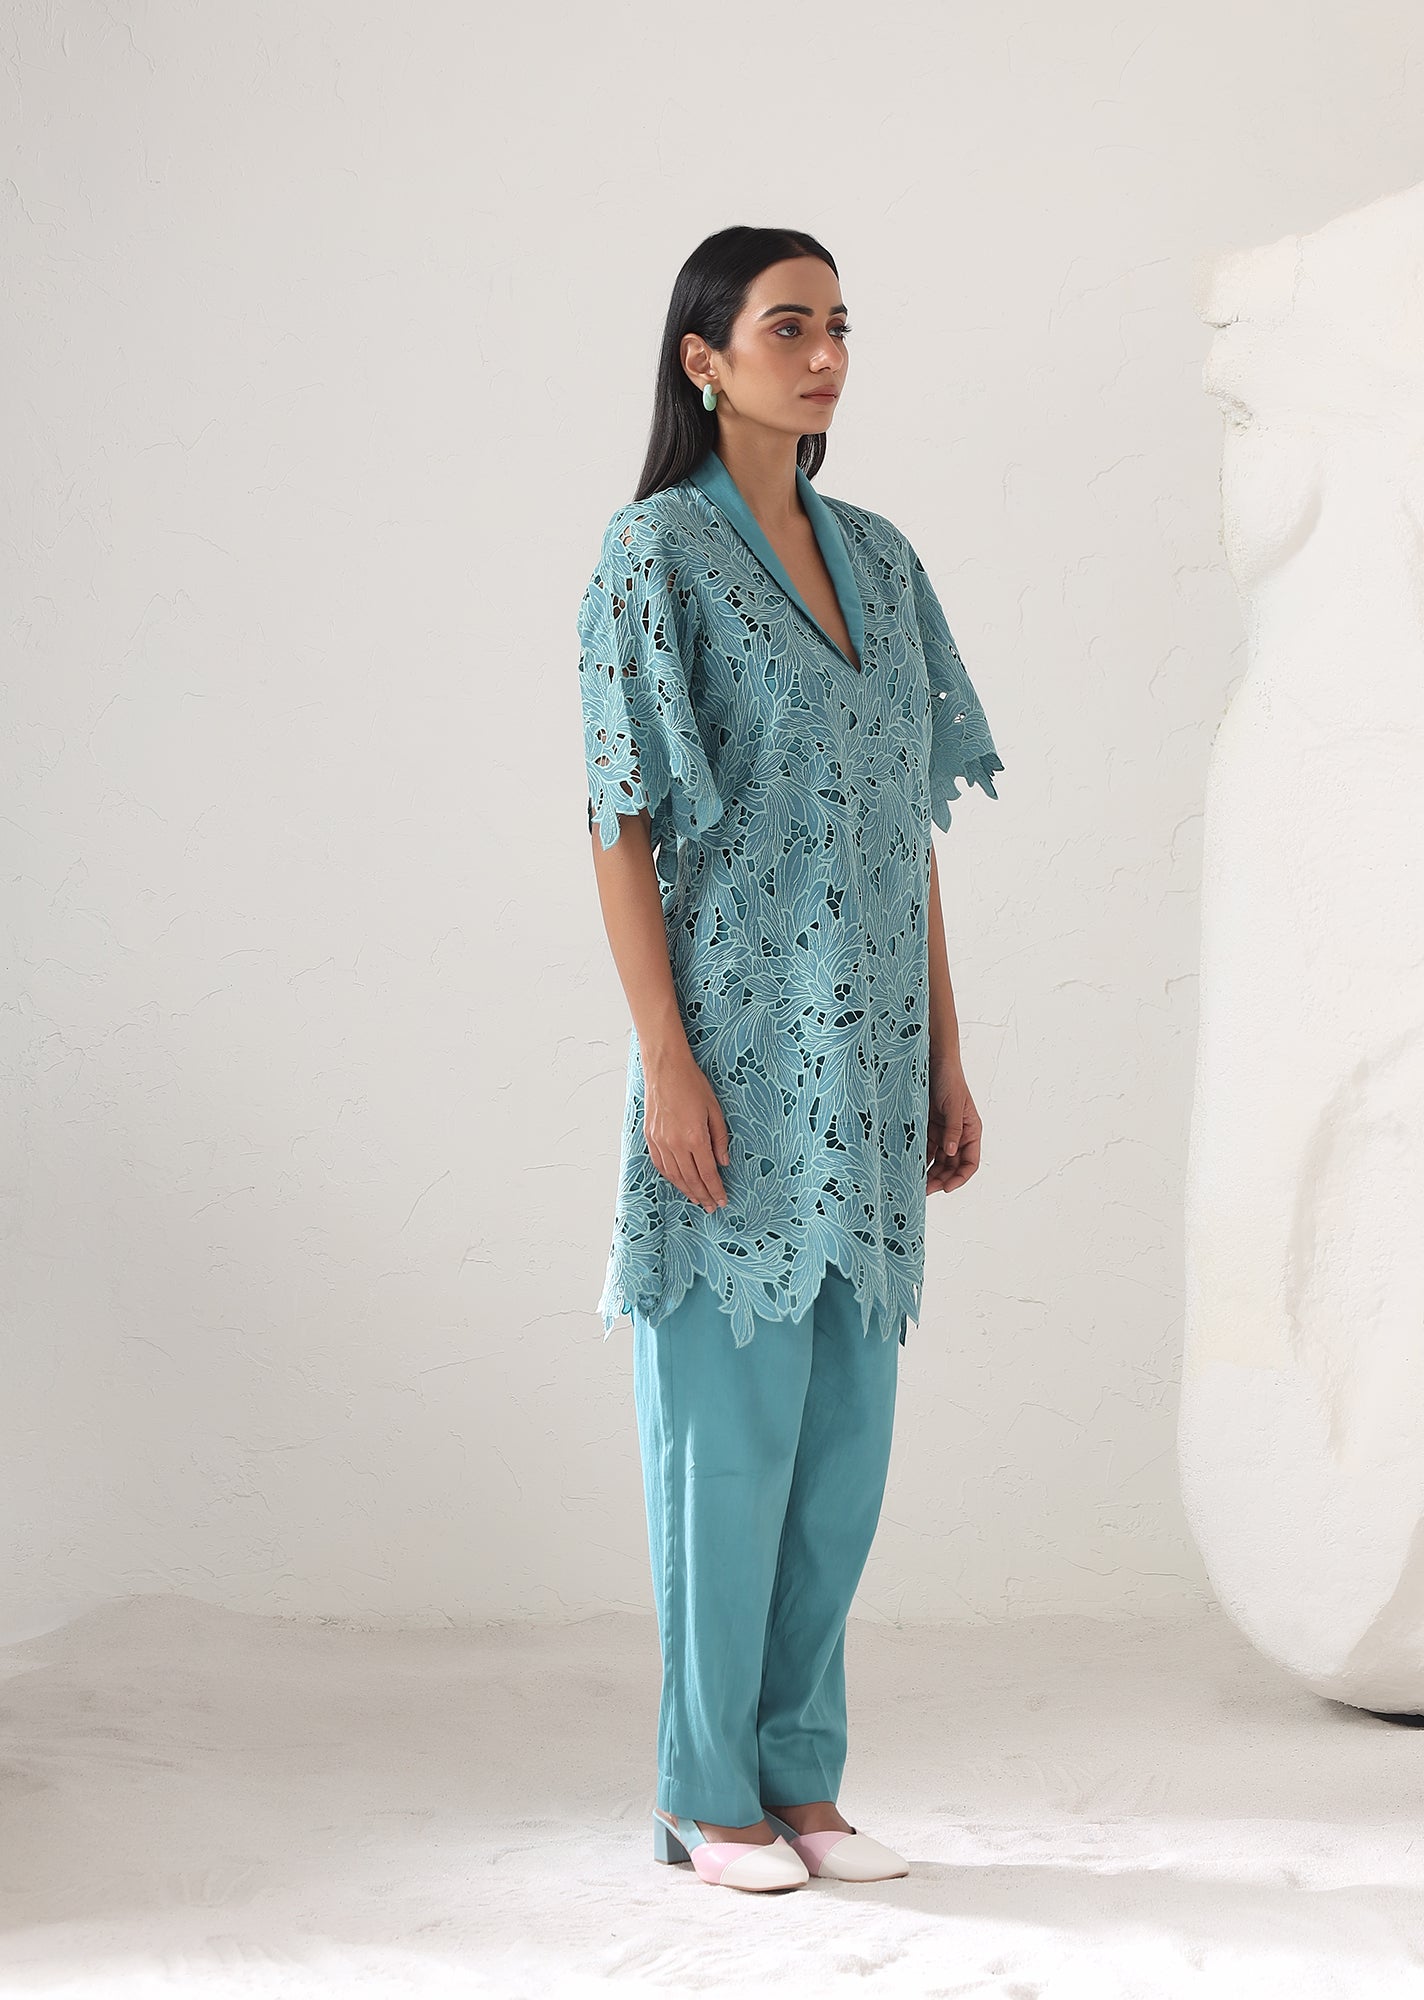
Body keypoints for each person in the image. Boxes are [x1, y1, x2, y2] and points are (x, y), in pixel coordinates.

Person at [577, 226, 1005, 1893]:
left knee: (841, 1456)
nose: (824, 356)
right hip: (735, 1063)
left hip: (872, 1070)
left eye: (838, 327)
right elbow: (618, 822)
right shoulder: (653, 557)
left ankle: (803, 1782)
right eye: (786, 327)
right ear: (704, 359)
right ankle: (709, 1797)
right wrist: (665, 1062)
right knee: (727, 1445)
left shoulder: (882, 561)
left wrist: (945, 1054)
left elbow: (909, 836)